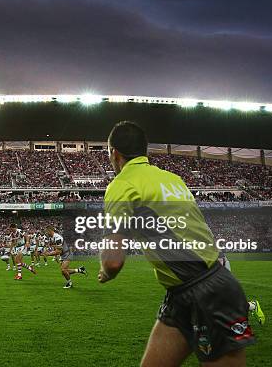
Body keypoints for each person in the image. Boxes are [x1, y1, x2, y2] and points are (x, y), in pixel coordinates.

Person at [98, 121, 255, 366]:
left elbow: (113, 261)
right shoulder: (173, 179)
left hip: (206, 292)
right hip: (187, 291)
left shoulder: (121, 185)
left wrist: (106, 271)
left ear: (114, 153)